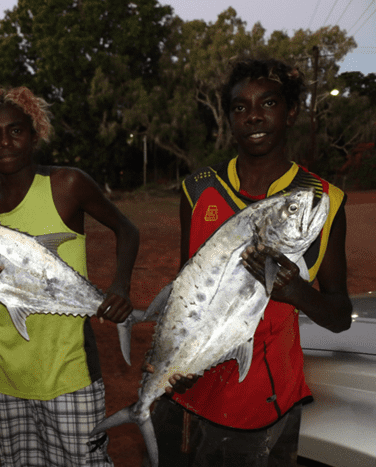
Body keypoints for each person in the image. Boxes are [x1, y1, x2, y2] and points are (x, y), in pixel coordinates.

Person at [149, 58, 353, 466]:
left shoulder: (321, 202)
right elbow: (188, 290)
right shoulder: (198, 190)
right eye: (240, 107)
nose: (254, 115)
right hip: (188, 390)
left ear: (291, 111)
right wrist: (170, 362)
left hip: (265, 403)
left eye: (269, 103)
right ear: (229, 118)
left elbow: (340, 315)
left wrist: (296, 293)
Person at [0, 87, 140, 466]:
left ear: (34, 134)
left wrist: (120, 285)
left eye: (15, 130)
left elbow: (127, 229)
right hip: (8, 379)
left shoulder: (67, 185)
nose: (5, 141)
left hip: (69, 376)